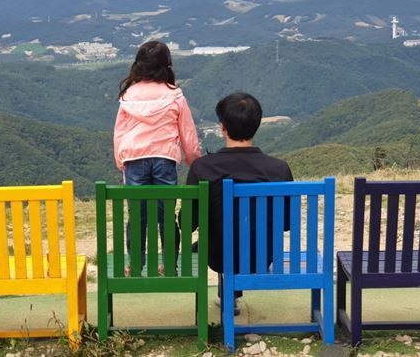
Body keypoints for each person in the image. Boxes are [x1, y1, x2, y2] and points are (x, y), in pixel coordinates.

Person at [184, 92, 293, 314]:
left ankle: (228, 296)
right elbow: (286, 223)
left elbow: (188, 222)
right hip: (263, 256)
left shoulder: (202, 168)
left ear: (223, 127)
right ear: (257, 125)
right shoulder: (279, 169)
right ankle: (231, 295)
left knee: (223, 235)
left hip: (219, 256)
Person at [113, 40, 201, 276]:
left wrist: (121, 160)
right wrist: (194, 161)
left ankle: (136, 264)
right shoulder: (175, 96)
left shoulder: (128, 96)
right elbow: (188, 134)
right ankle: (169, 264)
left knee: (137, 215)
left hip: (134, 158)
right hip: (164, 158)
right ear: (167, 66)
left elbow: (120, 133)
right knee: (165, 214)